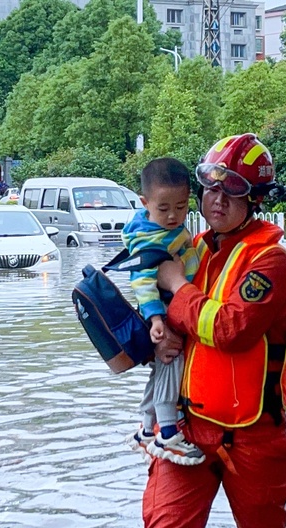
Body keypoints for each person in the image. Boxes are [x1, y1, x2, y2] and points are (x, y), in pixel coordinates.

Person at [140, 134, 286, 528]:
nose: (215, 201)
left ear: (254, 199)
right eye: (209, 189)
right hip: (188, 428)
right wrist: (155, 326)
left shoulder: (270, 262)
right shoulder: (194, 252)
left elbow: (231, 329)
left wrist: (176, 286)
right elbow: (175, 319)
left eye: (230, 192)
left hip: (253, 436)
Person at [123, 157, 206, 465]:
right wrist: (156, 318)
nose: (173, 216)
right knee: (172, 360)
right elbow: (143, 281)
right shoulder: (149, 240)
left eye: (181, 207)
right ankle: (167, 431)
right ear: (145, 203)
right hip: (166, 312)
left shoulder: (161, 229)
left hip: (169, 307)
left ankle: (146, 428)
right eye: (163, 208)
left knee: (161, 371)